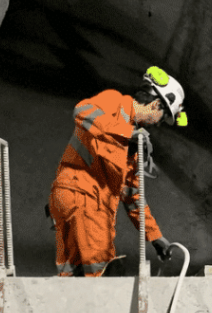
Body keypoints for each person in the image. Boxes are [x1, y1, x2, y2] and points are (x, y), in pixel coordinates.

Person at [48, 66, 188, 276]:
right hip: (81, 194)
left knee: (73, 277)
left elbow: (132, 196)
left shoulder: (135, 144)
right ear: (156, 104)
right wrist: (127, 133)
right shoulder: (115, 102)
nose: (158, 125)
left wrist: (154, 236)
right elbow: (82, 112)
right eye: (162, 117)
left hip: (82, 201)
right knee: (98, 273)